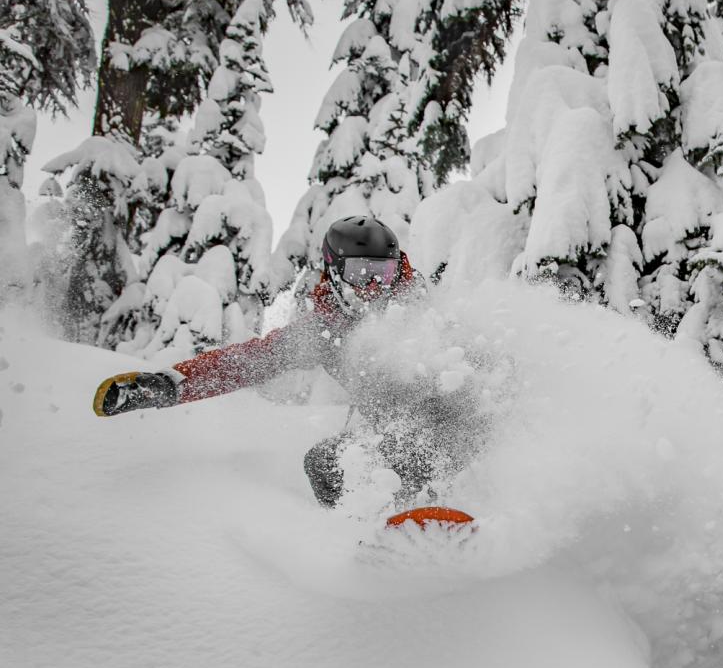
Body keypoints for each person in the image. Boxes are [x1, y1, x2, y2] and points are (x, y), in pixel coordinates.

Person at [94, 216, 481, 508]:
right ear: (334, 274)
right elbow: (248, 361)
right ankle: (369, 532)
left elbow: (476, 353)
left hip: (459, 428)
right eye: (359, 272)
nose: (373, 285)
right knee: (327, 465)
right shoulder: (325, 333)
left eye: (382, 271)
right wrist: (168, 384)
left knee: (427, 429)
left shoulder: (422, 308)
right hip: (391, 439)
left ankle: (458, 502)